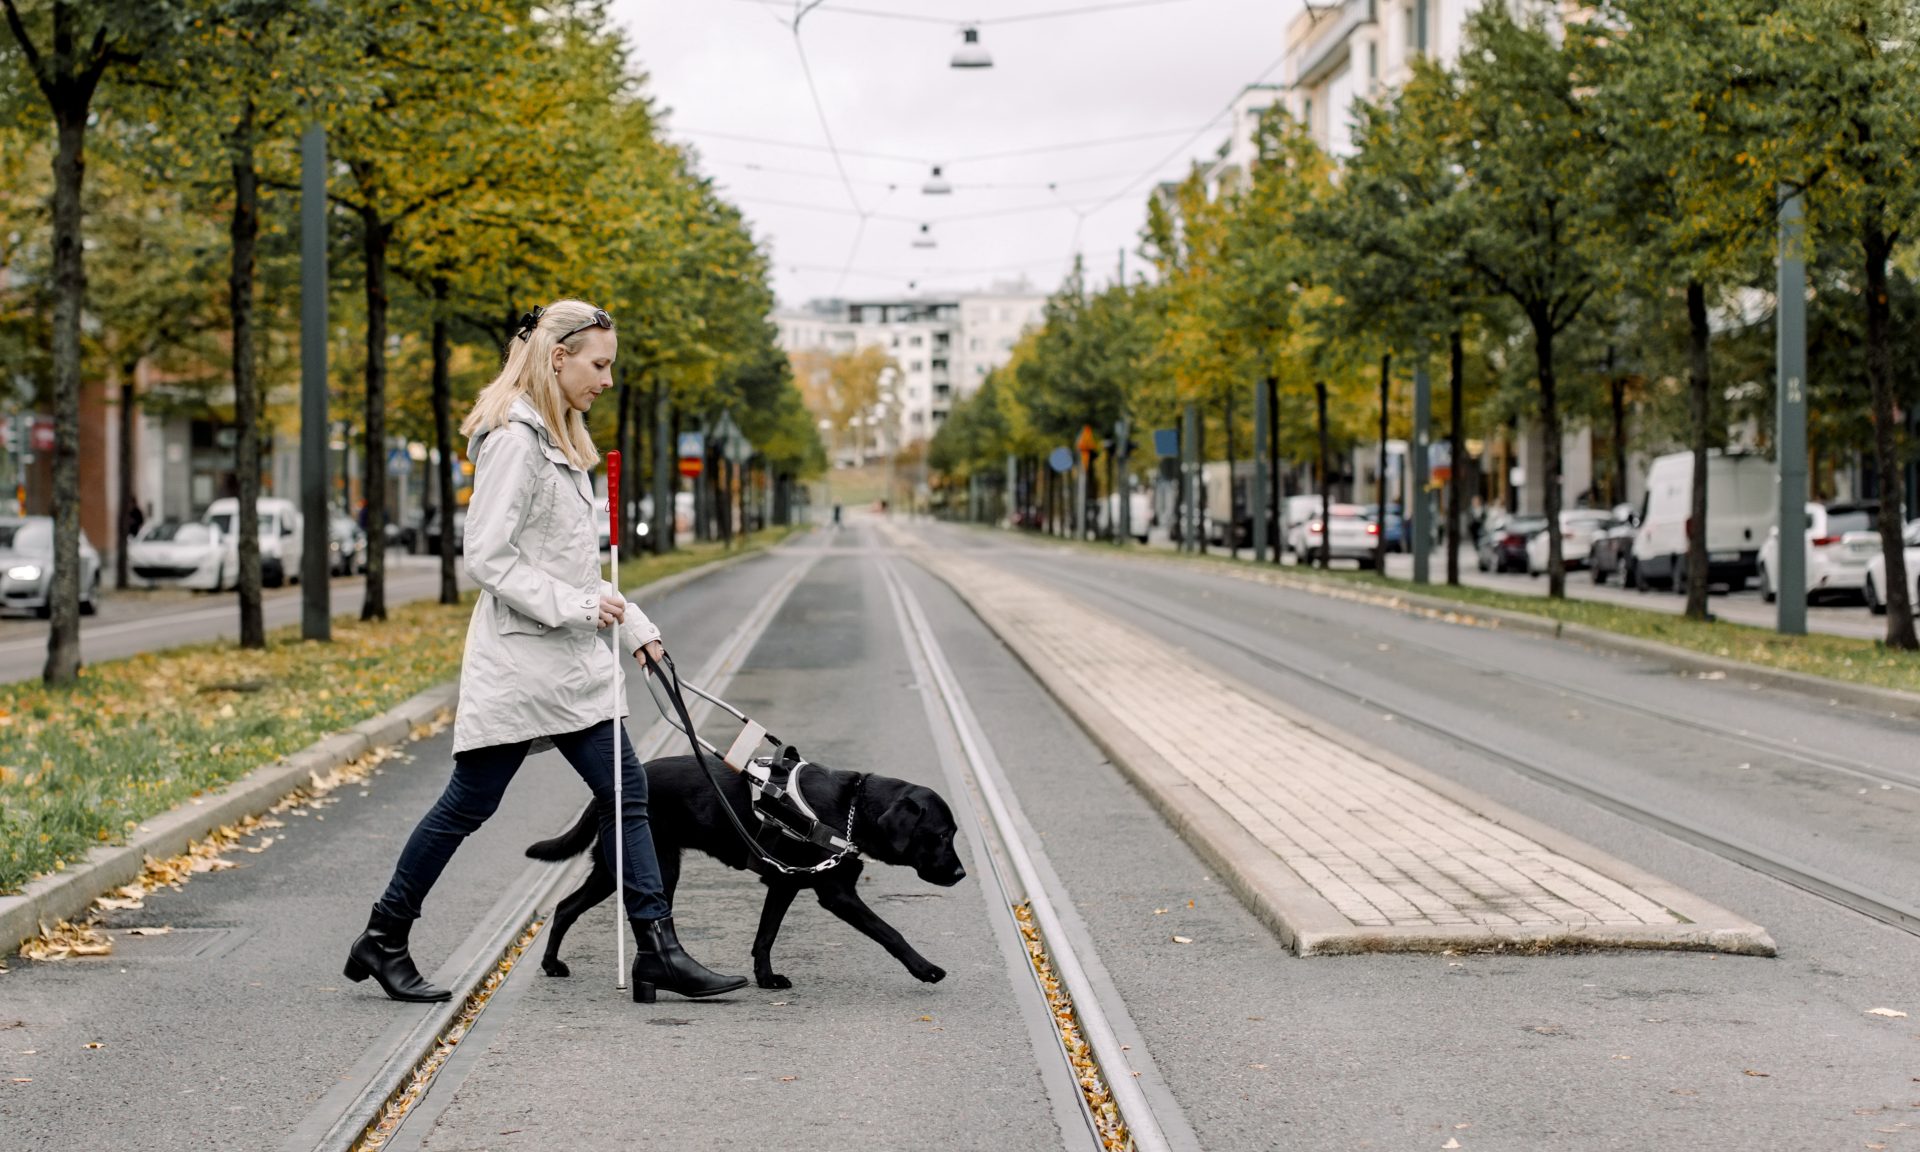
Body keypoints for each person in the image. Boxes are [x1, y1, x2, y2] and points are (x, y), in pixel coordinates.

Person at [345, 300, 744, 1004]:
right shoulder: (515, 442)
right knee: (467, 806)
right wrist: (585, 609)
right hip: (526, 668)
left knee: (628, 796)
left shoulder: (559, 443)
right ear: (558, 357)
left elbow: (569, 565)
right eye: (599, 363)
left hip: (570, 668)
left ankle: (658, 948)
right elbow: (489, 559)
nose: (608, 379)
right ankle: (383, 937)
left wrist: (634, 625)